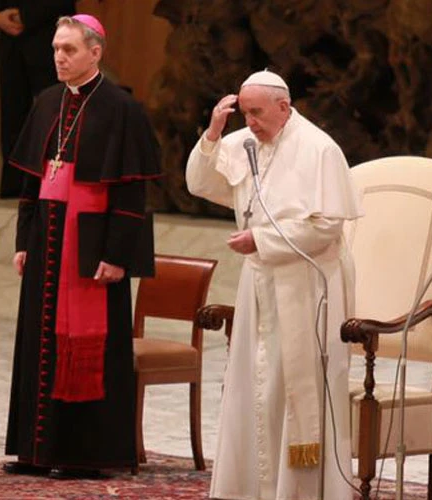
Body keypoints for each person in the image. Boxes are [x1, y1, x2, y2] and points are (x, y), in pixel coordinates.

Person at [185, 70, 362, 499]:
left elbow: (327, 226)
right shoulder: (245, 142)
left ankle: (303, 491)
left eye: (257, 112)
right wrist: (212, 133)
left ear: (284, 107)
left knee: (295, 388)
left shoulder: (319, 148)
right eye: (244, 113)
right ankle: (251, 489)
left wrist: (260, 239)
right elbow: (201, 183)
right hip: (259, 282)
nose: (251, 122)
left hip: (307, 284)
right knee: (254, 383)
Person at [3, 14, 160, 479]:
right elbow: (32, 181)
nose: (59, 57)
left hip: (91, 249)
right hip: (46, 240)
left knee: (84, 345)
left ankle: (84, 454)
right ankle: (35, 451)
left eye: (69, 49)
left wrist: (116, 255)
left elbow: (131, 194)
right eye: (55, 48)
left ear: (96, 52)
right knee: (39, 341)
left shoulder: (122, 108)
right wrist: (23, 241)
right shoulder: (47, 102)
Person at [0, 0, 76, 199]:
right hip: (11, 42)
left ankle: (57, 186)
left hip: (51, 36)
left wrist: (25, 15)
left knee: (56, 121)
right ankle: (13, 187)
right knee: (12, 120)